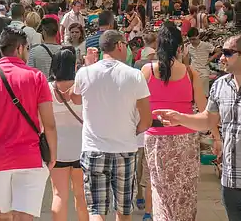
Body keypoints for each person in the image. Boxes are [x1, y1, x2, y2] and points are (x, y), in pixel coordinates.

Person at [154, 34, 241, 221]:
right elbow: (208, 120)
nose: (221, 57)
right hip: (229, 181)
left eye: (227, 53)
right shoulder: (220, 85)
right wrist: (180, 118)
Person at [0, 26, 57, 220]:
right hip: (30, 157)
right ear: (19, 48)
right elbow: (49, 124)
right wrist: (53, 154)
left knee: (4, 215)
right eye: (27, 48)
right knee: (25, 216)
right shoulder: (36, 77)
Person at [71, 30, 151, 221]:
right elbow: (146, 120)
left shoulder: (85, 73)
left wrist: (87, 65)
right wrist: (133, 131)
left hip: (94, 149)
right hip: (124, 148)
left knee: (96, 210)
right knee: (123, 210)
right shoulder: (135, 76)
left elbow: (74, 98)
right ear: (120, 45)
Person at [141, 24, 207, 221]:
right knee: (185, 192)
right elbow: (205, 112)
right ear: (180, 47)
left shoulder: (147, 70)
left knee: (159, 189)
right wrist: (217, 138)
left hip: (155, 139)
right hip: (185, 138)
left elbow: (136, 106)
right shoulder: (190, 72)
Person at [48, 47, 87, 221]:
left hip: (57, 150)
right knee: (82, 195)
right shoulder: (81, 86)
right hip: (82, 148)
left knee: (59, 195)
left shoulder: (48, 89)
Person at [186, 28, 220, 96]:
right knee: (193, 93)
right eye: (190, 40)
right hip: (193, 71)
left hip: (204, 71)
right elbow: (187, 59)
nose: (192, 41)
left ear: (198, 36)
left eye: (194, 39)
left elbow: (218, 51)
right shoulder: (188, 47)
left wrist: (210, 59)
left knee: (204, 94)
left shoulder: (205, 45)